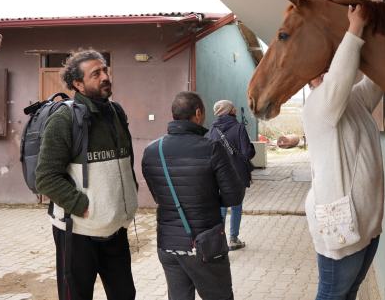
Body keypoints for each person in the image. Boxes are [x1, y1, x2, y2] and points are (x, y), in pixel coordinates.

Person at [35, 50, 138, 300]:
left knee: (125, 294)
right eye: (96, 73)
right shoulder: (64, 119)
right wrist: (84, 207)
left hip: (115, 227)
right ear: (78, 84)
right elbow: (46, 177)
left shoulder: (116, 112)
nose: (105, 76)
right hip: (78, 232)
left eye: (105, 70)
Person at [303, 5, 385, 300]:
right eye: (322, 70)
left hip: (364, 229)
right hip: (342, 230)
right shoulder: (318, 107)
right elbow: (339, 79)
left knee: (348, 293)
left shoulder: (352, 101)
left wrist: (377, 37)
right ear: (312, 79)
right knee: (332, 296)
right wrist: (355, 28)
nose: (328, 73)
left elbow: (376, 83)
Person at [142, 91, 245, 300]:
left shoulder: (152, 150)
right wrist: (210, 200)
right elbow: (234, 197)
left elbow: (157, 195)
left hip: (168, 245)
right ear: (198, 113)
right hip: (205, 244)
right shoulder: (212, 148)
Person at [207, 100, 256, 251]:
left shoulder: (212, 130)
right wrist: (252, 148)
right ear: (229, 111)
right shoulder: (239, 128)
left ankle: (219, 242)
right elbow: (248, 153)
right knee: (236, 206)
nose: (235, 108)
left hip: (218, 176)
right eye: (232, 107)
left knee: (221, 208)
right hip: (237, 174)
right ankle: (233, 239)